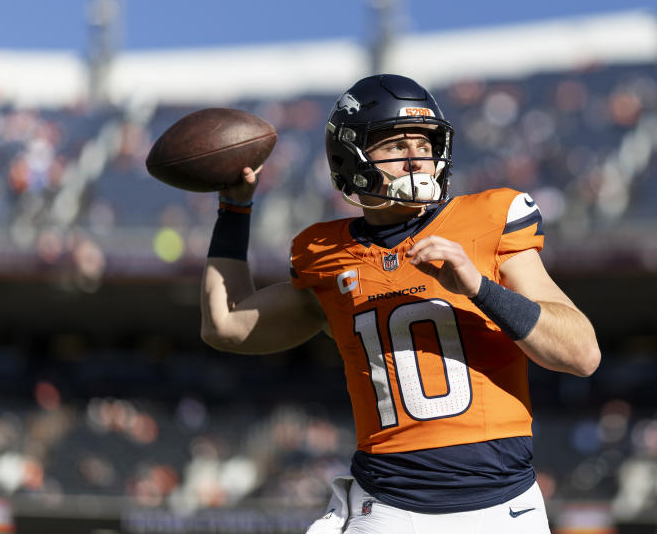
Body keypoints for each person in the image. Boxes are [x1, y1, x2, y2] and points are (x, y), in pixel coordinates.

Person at [200, 74, 601, 534]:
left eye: (425, 144)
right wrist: (234, 212)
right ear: (350, 159)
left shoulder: (489, 219)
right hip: (388, 510)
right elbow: (224, 324)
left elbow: (582, 354)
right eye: (394, 146)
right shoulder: (326, 254)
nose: (416, 159)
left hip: (502, 509)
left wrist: (478, 288)